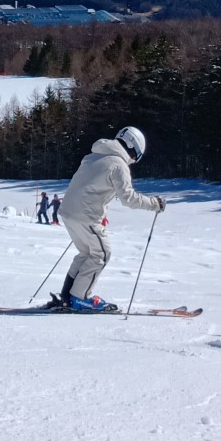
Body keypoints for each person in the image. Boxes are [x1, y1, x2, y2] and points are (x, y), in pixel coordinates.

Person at [54, 125, 163, 312]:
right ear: (133, 148)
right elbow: (128, 198)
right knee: (102, 254)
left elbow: (91, 187)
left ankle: (67, 296)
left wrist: (101, 214)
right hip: (85, 215)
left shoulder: (93, 156)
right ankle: (80, 298)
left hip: (69, 212)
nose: (134, 161)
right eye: (137, 156)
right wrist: (154, 203)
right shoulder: (118, 164)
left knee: (87, 254)